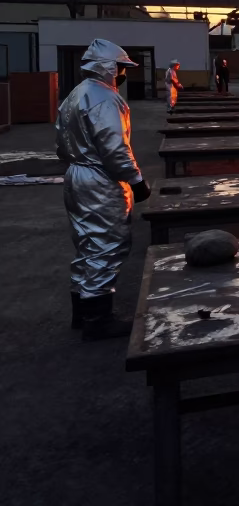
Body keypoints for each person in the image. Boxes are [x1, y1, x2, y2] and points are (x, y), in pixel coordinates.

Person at [56, 39, 151, 340]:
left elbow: (60, 142)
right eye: (121, 68)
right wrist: (135, 180)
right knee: (106, 245)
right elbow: (114, 147)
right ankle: (98, 321)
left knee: (86, 243)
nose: (123, 74)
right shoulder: (105, 99)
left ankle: (82, 312)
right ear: (109, 68)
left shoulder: (76, 94)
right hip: (100, 178)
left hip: (76, 174)